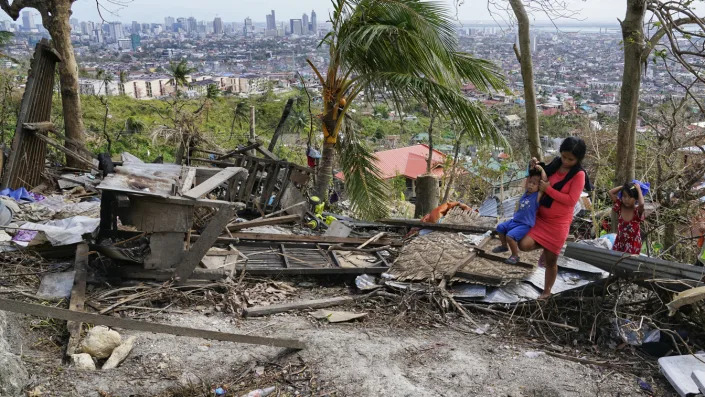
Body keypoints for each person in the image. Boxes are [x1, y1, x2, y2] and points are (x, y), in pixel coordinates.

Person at [519, 137, 591, 299]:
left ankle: (546, 292)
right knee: (523, 244)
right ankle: (545, 248)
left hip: (558, 224)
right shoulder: (556, 163)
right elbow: (542, 177)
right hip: (541, 217)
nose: (565, 161)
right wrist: (535, 167)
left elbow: (571, 200)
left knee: (551, 263)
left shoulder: (579, 175)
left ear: (578, 159)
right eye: (564, 156)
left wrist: (549, 190)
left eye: (570, 159)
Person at [492, 166, 547, 264]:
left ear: (539, 186)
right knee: (500, 227)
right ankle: (504, 246)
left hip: (525, 224)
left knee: (510, 236)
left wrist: (542, 169)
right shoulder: (526, 193)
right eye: (530, 182)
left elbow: (544, 181)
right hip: (515, 220)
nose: (530, 185)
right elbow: (528, 177)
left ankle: (515, 256)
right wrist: (531, 165)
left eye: (534, 184)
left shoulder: (537, 196)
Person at [608, 182, 645, 254]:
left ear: (636, 198)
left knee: (629, 262)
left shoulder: (637, 211)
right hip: (619, 242)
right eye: (624, 196)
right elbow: (611, 192)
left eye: (630, 197)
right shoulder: (620, 207)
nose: (627, 199)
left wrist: (638, 189)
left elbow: (642, 204)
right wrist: (623, 186)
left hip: (633, 244)